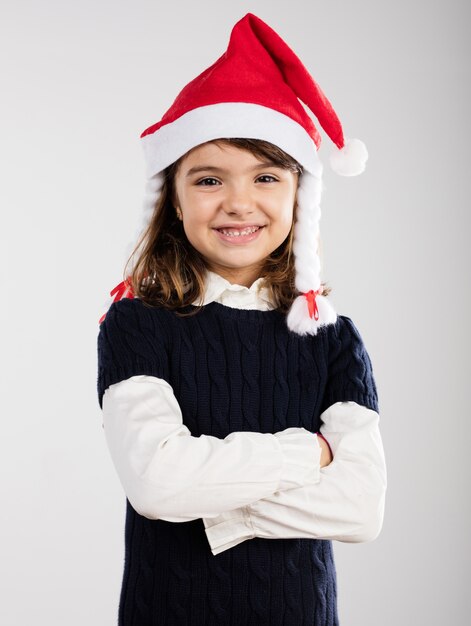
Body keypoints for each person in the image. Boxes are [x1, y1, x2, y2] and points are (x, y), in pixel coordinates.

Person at [96, 12, 387, 626]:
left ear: (297, 195)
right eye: (208, 179)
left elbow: (361, 508)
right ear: (174, 198)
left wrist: (220, 508)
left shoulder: (332, 338)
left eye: (265, 177)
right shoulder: (136, 325)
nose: (238, 202)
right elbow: (156, 485)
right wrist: (309, 454)